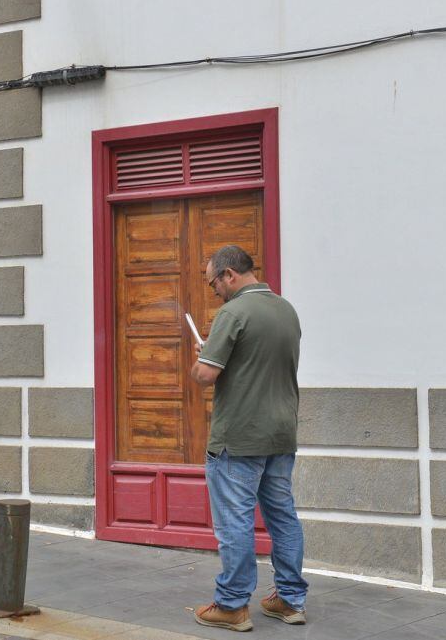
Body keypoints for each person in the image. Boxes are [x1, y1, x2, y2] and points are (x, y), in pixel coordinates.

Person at [191, 245, 308, 631]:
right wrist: (216, 352)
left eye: (213, 283)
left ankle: (232, 605)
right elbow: (256, 361)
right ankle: (290, 601)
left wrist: (202, 357)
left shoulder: (234, 312)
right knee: (283, 517)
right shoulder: (285, 309)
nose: (214, 291)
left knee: (234, 522)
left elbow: (206, 375)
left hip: (238, 436)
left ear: (229, 274)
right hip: (280, 432)